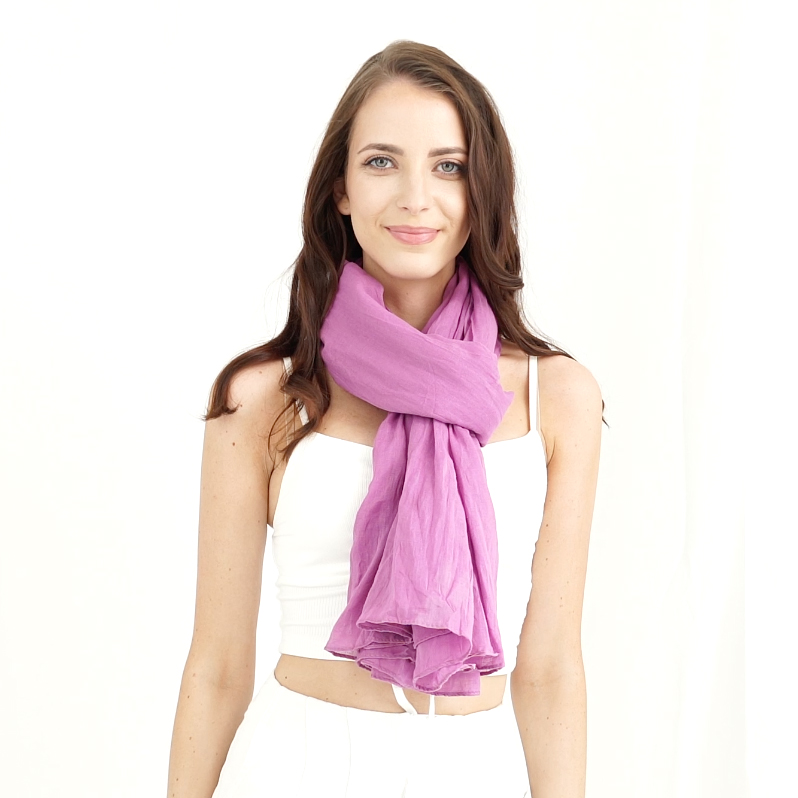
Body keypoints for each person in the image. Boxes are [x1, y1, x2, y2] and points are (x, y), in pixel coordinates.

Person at [166, 40, 602, 798]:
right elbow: (218, 665)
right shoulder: (264, 396)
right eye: (380, 162)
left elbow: (552, 669)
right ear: (340, 189)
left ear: (482, 189)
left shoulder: (557, 396)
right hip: (297, 770)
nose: (414, 197)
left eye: (448, 165)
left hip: (474, 776)